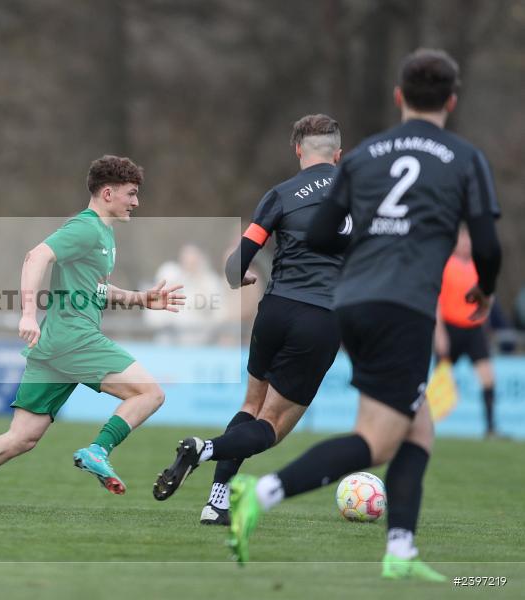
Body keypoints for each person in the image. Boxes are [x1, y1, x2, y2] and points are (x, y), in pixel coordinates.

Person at [227, 49, 501, 582]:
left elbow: (326, 233)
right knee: (376, 440)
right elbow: (486, 245)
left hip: (351, 303)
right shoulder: (465, 158)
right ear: (451, 99)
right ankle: (259, 493)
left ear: (399, 98)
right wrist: (485, 293)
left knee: (417, 427)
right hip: (403, 306)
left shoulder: (364, 156)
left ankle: (400, 548)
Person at [0, 155, 185, 510]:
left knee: (21, 437)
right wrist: (27, 314)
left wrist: (141, 299)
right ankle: (98, 450)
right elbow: (36, 257)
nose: (136, 202)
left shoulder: (102, 233)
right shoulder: (86, 227)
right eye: (131, 194)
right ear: (108, 193)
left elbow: (95, 289)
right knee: (150, 394)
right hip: (74, 338)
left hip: (54, 344)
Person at [151, 115, 349, 528]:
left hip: (275, 310)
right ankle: (202, 450)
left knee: (250, 406)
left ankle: (216, 502)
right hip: (321, 316)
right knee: (271, 426)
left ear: (298, 150)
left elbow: (233, 267)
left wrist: (239, 276)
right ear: (339, 153)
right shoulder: (362, 195)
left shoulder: (280, 195)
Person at [433, 226, 499, 437]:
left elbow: (488, 295)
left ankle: (490, 428)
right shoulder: (446, 265)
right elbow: (437, 302)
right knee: (438, 383)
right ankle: (422, 426)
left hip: (473, 330)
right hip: (450, 329)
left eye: (469, 240)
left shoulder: (478, 267)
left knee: (488, 378)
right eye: (462, 239)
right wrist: (440, 333)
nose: (466, 244)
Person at [144, 244, 222, 345]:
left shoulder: (209, 281)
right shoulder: (170, 275)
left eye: (193, 260)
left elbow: (216, 312)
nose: (189, 263)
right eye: (186, 259)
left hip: (198, 341)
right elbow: (152, 316)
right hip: (167, 340)